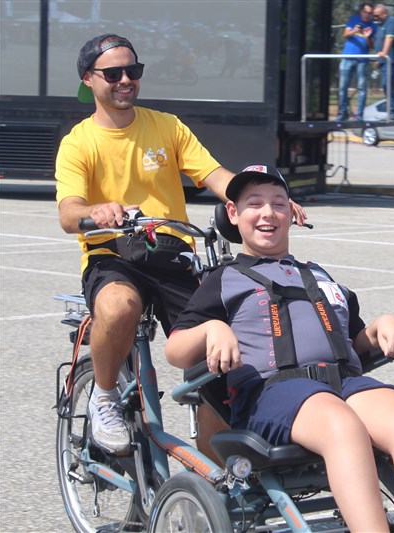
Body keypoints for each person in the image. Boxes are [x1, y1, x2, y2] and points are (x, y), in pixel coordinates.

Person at [164, 165, 394, 532]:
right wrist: (212, 328)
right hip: (273, 394)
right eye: (254, 204)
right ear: (234, 214)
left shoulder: (317, 275)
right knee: (341, 424)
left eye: (278, 203)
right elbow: (175, 351)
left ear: (291, 213)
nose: (267, 212)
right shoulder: (224, 279)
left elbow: (354, 343)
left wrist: (381, 326)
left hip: (342, 382)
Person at [55, 34, 306, 456]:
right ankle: (103, 397)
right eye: (112, 73)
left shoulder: (166, 126)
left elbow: (215, 175)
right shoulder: (79, 142)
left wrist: (260, 196)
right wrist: (96, 210)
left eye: (132, 71)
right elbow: (68, 213)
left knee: (218, 358)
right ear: (89, 79)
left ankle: (222, 479)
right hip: (113, 254)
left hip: (174, 254)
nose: (124, 80)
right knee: (119, 307)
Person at [335, 2, 376, 121]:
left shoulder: (373, 26)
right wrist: (354, 30)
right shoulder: (353, 20)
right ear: (361, 12)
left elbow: (372, 45)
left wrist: (368, 37)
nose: (367, 15)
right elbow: (345, 34)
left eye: (370, 13)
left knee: (362, 88)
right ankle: (343, 113)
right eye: (365, 12)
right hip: (347, 58)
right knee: (343, 87)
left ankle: (359, 115)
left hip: (362, 60)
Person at [372, 3, 394, 121]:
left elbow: (389, 38)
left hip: (393, 61)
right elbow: (376, 44)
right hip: (385, 62)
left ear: (385, 13)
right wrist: (378, 60)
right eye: (374, 16)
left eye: (377, 15)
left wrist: (384, 53)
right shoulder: (380, 26)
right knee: (386, 86)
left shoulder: (391, 21)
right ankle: (392, 113)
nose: (375, 18)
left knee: (388, 85)